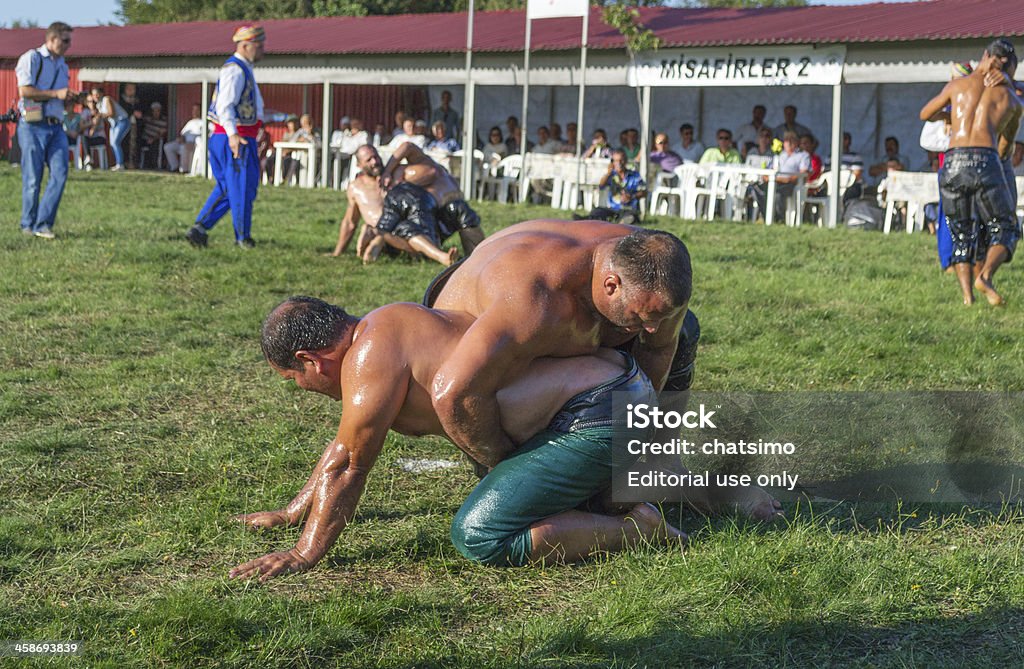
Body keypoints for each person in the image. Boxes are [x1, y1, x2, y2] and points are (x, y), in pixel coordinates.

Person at [229, 296, 686, 580]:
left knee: (480, 534)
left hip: (599, 412)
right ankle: (631, 496)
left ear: (312, 360)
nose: (302, 389)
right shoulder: (386, 326)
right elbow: (345, 444)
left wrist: (305, 553)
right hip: (617, 393)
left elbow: (350, 463)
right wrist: (294, 511)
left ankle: (637, 528)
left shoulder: (368, 355)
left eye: (294, 378)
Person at [920, 38, 1023, 306]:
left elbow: (924, 113)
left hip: (953, 160)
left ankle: (967, 298)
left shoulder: (957, 85)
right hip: (986, 158)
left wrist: (948, 118)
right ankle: (985, 276)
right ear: (1010, 68)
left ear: (985, 55)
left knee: (960, 229)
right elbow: (1005, 147)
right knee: (1007, 226)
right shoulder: (1011, 98)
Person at [186, 24, 266, 250]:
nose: (262, 51)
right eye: (259, 46)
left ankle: (200, 228)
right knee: (241, 188)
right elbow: (225, 105)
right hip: (235, 138)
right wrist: (233, 135)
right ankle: (243, 237)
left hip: (236, 136)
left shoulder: (243, 69)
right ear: (245, 45)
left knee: (229, 187)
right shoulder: (235, 70)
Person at [16, 21, 76, 240]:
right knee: (33, 178)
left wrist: (70, 99)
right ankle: (27, 225)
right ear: (52, 39)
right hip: (32, 125)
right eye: (65, 40)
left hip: (56, 125)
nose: (68, 45)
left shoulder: (63, 65)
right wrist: (56, 94)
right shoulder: (32, 58)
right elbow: (25, 90)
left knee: (60, 173)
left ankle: (43, 224)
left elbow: (60, 96)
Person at [381, 141, 486, 256]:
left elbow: (407, 146)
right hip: (420, 218)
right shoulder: (396, 184)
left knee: (461, 211)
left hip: (441, 212)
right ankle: (429, 253)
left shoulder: (423, 162)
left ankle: (477, 256)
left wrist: (387, 172)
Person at [329, 144, 390, 263]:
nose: (375, 162)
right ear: (359, 165)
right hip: (378, 231)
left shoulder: (395, 176)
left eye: (376, 157)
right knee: (368, 229)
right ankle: (374, 242)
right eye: (369, 160)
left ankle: (377, 241)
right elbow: (350, 222)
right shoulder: (356, 187)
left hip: (402, 233)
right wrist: (337, 252)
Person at [748, 131, 809, 222]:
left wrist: (788, 179)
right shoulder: (780, 155)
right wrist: (766, 176)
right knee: (756, 188)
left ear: (796, 142)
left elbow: (804, 172)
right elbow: (770, 168)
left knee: (777, 194)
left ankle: (779, 219)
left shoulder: (803, 155)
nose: (789, 143)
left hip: (789, 183)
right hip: (774, 180)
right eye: (787, 141)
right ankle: (767, 217)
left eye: (791, 141)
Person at [575, 149, 647, 225]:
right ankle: (585, 220)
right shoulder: (611, 175)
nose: (619, 163)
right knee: (597, 211)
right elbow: (601, 186)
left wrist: (632, 196)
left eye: (621, 160)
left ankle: (622, 222)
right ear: (612, 162)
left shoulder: (634, 175)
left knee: (631, 216)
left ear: (625, 161)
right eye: (615, 161)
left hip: (628, 209)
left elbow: (644, 192)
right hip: (612, 209)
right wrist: (608, 173)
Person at [91, 87, 129, 171]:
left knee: (115, 142)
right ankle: (118, 163)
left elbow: (111, 113)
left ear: (101, 94)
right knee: (112, 143)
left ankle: (120, 164)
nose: (95, 96)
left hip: (122, 121)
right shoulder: (98, 105)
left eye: (97, 94)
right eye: (93, 95)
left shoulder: (106, 99)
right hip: (114, 124)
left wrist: (100, 115)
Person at [163, 103, 204, 173]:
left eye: (197, 110)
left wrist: (192, 142)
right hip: (184, 142)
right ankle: (174, 167)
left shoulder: (203, 122)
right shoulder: (190, 122)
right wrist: (181, 139)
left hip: (195, 145)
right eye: (193, 110)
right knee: (168, 147)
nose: (194, 112)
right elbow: (182, 134)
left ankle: (184, 170)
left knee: (184, 147)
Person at [139, 102, 168, 169]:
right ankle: (141, 165)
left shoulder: (164, 120)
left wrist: (153, 139)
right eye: (154, 111)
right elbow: (141, 117)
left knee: (157, 145)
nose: (156, 113)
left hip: (156, 139)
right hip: (145, 139)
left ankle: (157, 166)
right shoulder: (148, 118)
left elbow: (162, 133)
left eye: (157, 111)